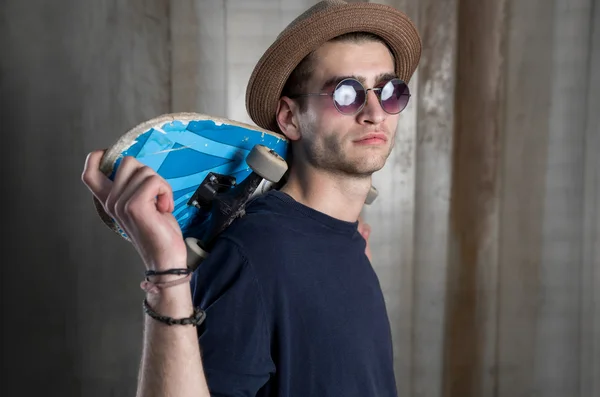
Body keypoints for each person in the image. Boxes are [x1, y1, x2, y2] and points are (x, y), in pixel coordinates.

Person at [81, 1, 421, 396]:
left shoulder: (349, 243)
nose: (375, 112)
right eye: (346, 93)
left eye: (390, 90)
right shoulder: (255, 253)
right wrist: (167, 276)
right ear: (290, 118)